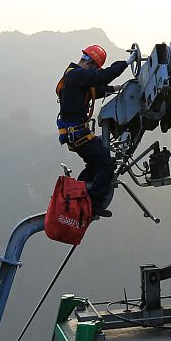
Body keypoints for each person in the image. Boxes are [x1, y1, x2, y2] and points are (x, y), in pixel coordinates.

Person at [56, 44, 134, 214]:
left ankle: (76, 196)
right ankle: (95, 203)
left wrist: (121, 88)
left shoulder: (74, 77)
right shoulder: (76, 75)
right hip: (77, 133)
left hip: (75, 134)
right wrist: (127, 63)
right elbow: (102, 77)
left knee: (94, 164)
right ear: (91, 63)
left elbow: (97, 90)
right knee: (105, 163)